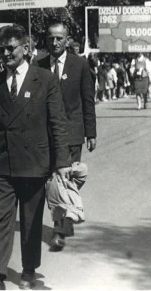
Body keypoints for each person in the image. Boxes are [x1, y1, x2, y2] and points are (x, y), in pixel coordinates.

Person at [0, 24, 71, 290]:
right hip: (0, 165)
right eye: (1, 50)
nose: (5, 54)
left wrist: (62, 163)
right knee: (0, 220)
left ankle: (29, 270)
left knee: (30, 221)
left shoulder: (45, 80)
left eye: (11, 48)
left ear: (25, 48)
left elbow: (57, 123)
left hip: (33, 164)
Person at [36, 22, 96, 252]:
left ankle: (60, 230)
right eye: (51, 38)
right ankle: (63, 223)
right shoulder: (38, 65)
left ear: (67, 39)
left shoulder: (79, 64)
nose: (55, 42)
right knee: (52, 182)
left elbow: (87, 100)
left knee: (64, 181)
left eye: (59, 38)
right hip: (45, 135)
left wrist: (91, 132)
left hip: (71, 134)